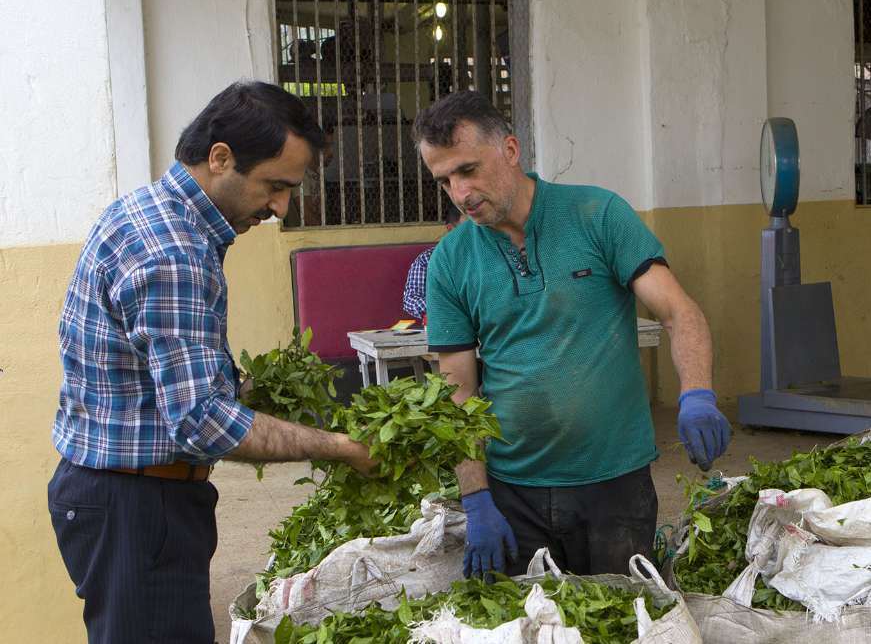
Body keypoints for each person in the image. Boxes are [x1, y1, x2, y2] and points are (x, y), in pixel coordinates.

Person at [48, 81, 377, 644]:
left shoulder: (147, 210)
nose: (280, 208)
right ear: (220, 157)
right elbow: (202, 421)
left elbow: (154, 370)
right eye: (275, 186)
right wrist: (339, 447)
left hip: (120, 495)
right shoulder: (175, 251)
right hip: (138, 507)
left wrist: (240, 383)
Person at [412, 90, 731, 580]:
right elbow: (458, 391)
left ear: (511, 151)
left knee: (622, 620)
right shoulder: (450, 260)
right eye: (445, 180)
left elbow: (677, 310)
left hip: (614, 484)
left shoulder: (596, 214)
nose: (460, 193)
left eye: (469, 170)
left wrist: (697, 394)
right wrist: (476, 498)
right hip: (512, 492)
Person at [402, 203, 465, 320]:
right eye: (467, 229)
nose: (474, 234)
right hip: (445, 326)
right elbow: (410, 300)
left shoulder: (486, 256)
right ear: (450, 229)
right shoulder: (427, 259)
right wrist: (446, 306)